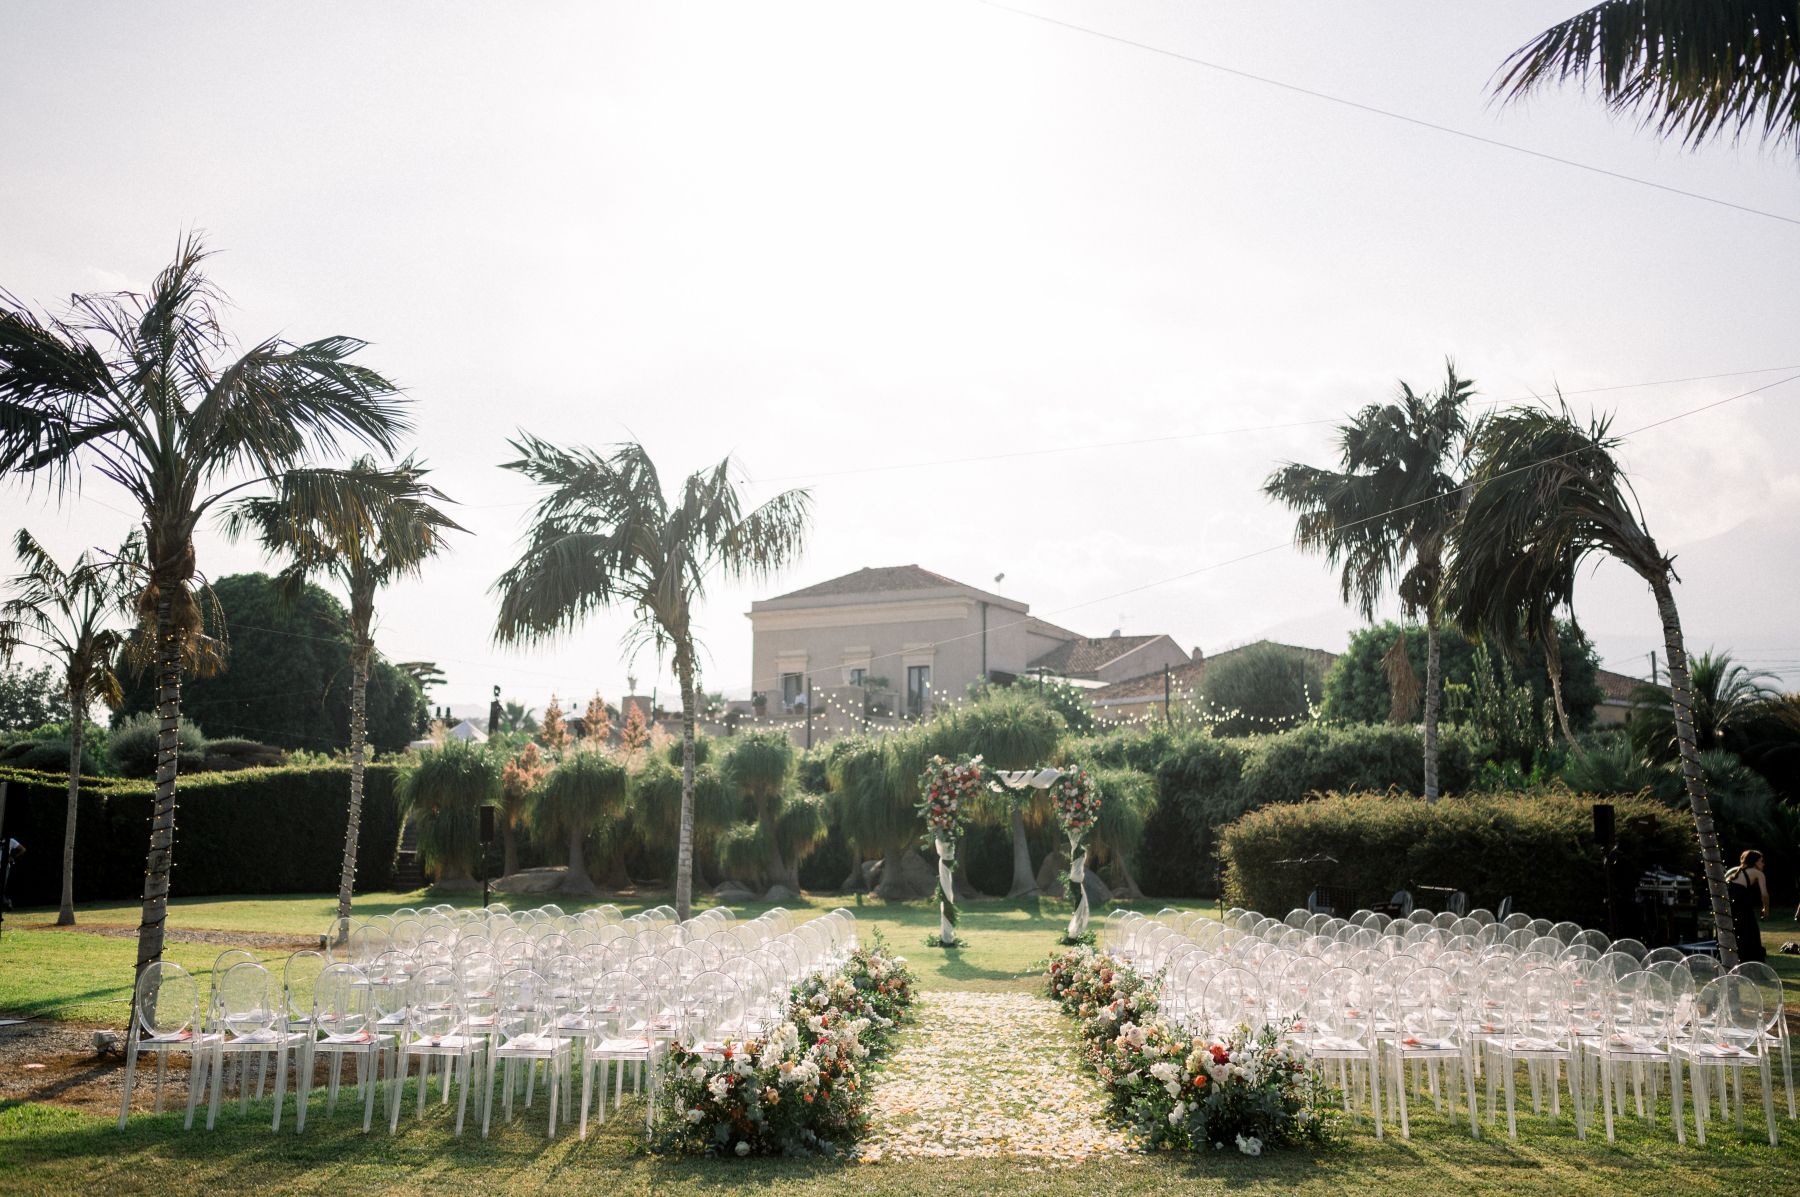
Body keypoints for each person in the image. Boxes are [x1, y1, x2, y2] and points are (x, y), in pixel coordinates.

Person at [1725, 849, 1769, 964]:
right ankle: (1752, 961)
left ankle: (1738, 959)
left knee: (1738, 932)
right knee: (1751, 932)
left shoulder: (1736, 872)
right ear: (1755, 862)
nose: (1763, 864)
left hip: (1731, 903)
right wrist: (1766, 909)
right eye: (1761, 861)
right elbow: (1764, 894)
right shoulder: (1758, 873)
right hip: (1742, 904)